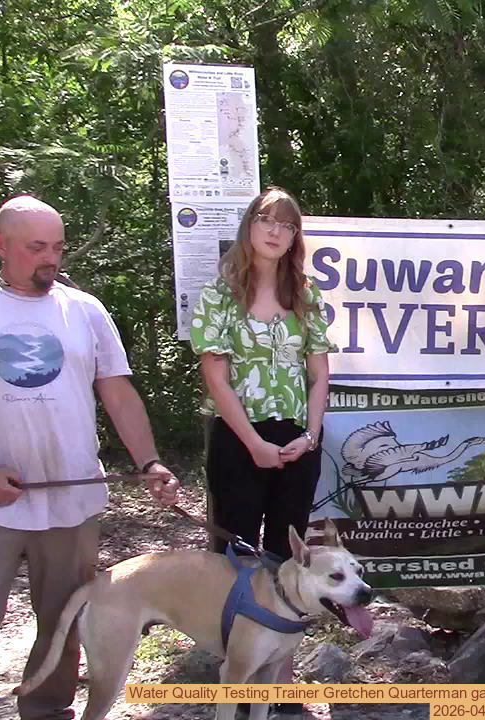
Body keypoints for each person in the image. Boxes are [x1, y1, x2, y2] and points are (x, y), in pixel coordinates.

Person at [0, 195, 179, 720]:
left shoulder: (84, 310)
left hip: (72, 501)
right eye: (36, 248)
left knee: (61, 625)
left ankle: (47, 712)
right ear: (1, 245)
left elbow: (118, 394)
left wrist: (149, 464)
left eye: (57, 247)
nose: (50, 259)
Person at [188, 186, 336, 712]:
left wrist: (311, 436)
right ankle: (233, 670)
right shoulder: (220, 295)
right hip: (237, 438)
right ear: (249, 227)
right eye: (266, 220)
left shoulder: (307, 294)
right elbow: (215, 376)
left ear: (295, 237)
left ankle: (281, 682)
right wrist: (252, 443)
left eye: (287, 224)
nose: (276, 231)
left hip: (299, 437)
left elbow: (319, 374)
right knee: (235, 551)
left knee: (286, 551)